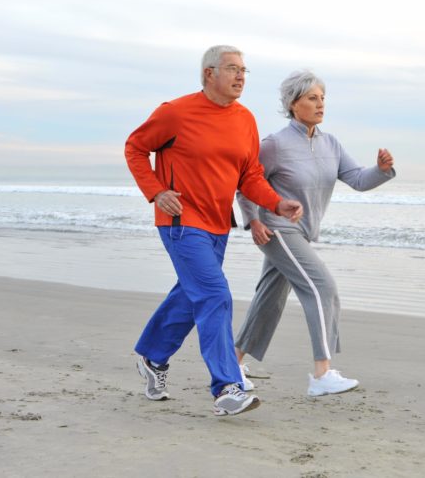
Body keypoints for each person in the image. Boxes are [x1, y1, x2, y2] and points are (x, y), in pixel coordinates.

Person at [124, 45, 303, 416]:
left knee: (192, 297)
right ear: (209, 74)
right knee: (215, 294)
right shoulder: (175, 113)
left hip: (217, 223)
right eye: (233, 69)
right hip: (179, 221)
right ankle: (227, 387)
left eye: (244, 70)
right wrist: (156, 191)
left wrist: (276, 203)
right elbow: (135, 148)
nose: (240, 76)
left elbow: (250, 175)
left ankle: (152, 357)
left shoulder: (245, 119)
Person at [235, 69, 395, 397]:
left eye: (322, 98)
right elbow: (246, 184)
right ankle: (322, 373)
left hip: (303, 233)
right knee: (322, 287)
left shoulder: (331, 143)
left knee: (270, 298)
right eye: (312, 98)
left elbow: (358, 180)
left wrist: (380, 170)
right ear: (294, 104)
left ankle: (230, 361)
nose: (320, 104)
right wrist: (253, 221)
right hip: (277, 230)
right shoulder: (275, 145)